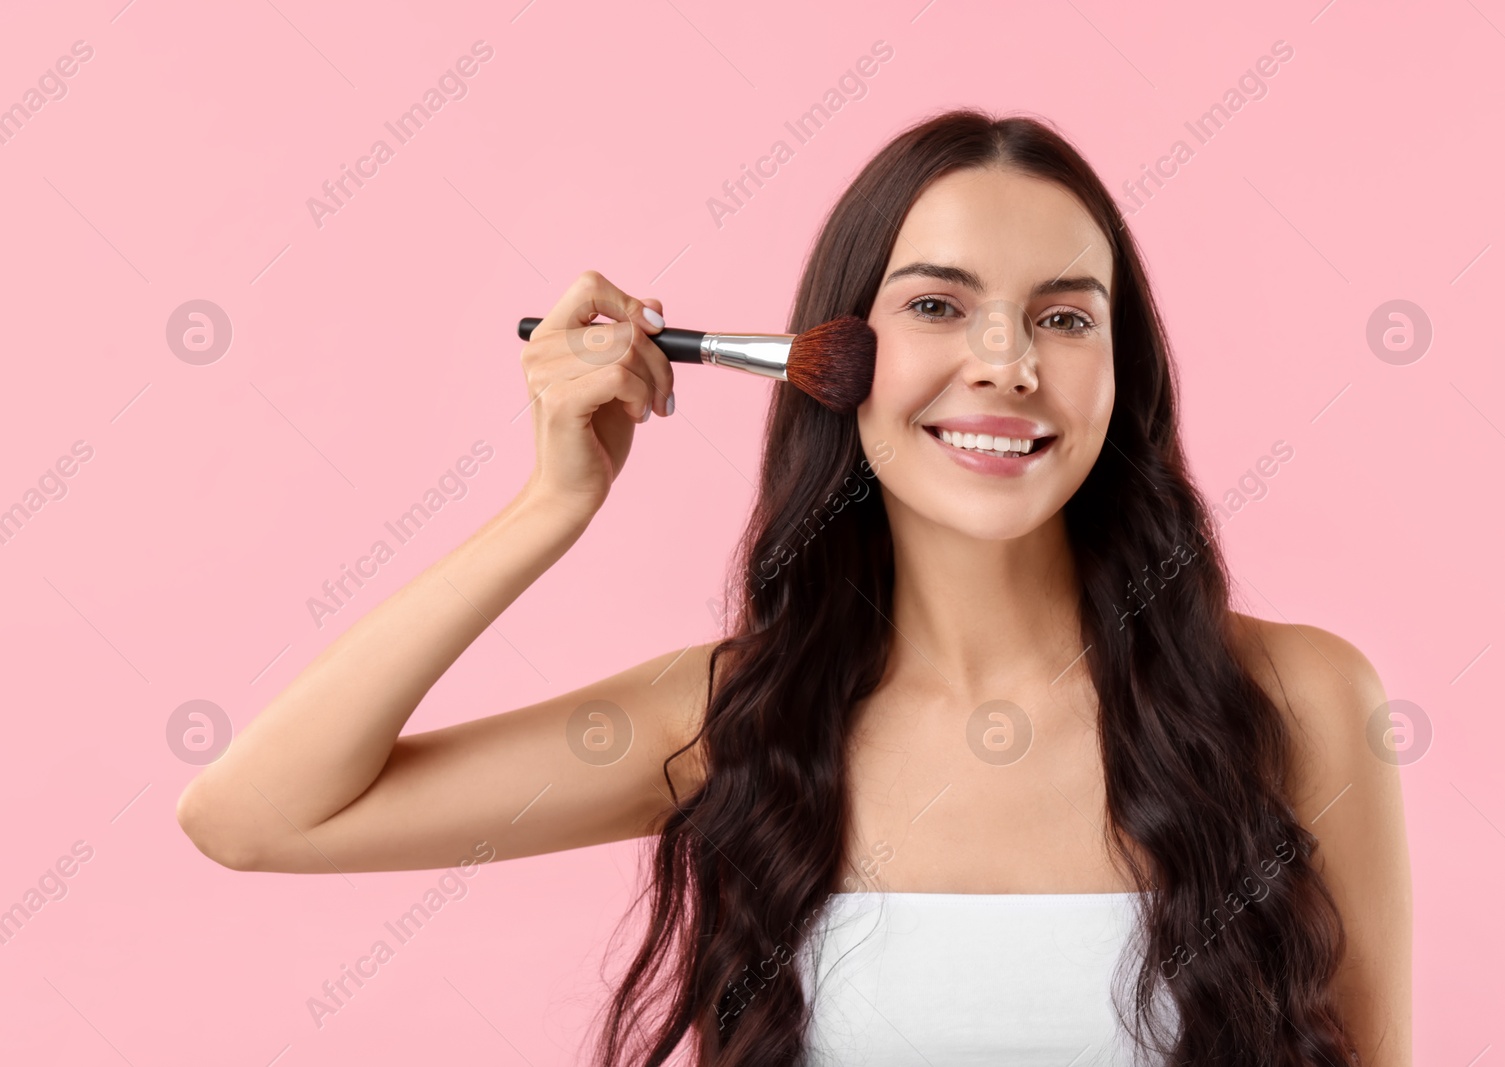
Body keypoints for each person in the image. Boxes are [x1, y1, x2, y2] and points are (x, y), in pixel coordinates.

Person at [176, 108, 1412, 1066]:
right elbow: (256, 815)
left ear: (1117, 369)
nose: (1005, 362)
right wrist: (549, 507)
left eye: (1064, 318)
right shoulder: (729, 721)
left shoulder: (1299, 697)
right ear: (836, 358)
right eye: (937, 304)